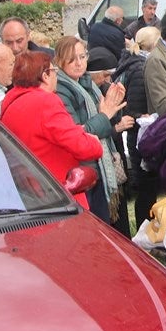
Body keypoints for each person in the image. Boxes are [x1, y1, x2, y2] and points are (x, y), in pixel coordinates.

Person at [0, 51, 103, 211]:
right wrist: (93, 141)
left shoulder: (10, 102)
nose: (56, 77)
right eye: (54, 71)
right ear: (45, 75)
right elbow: (82, 146)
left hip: (29, 192)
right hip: (58, 191)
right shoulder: (45, 101)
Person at [54, 38, 132, 224]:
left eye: (82, 56)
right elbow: (79, 133)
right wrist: (105, 115)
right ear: (59, 61)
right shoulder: (60, 90)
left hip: (98, 165)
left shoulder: (86, 83)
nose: (79, 63)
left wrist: (115, 101)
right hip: (83, 168)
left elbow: (106, 118)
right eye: (72, 59)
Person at [113, 26, 162, 229]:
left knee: (146, 189)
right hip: (141, 135)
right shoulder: (142, 68)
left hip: (138, 134)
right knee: (146, 190)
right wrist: (145, 116)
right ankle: (146, 232)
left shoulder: (132, 62)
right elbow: (134, 106)